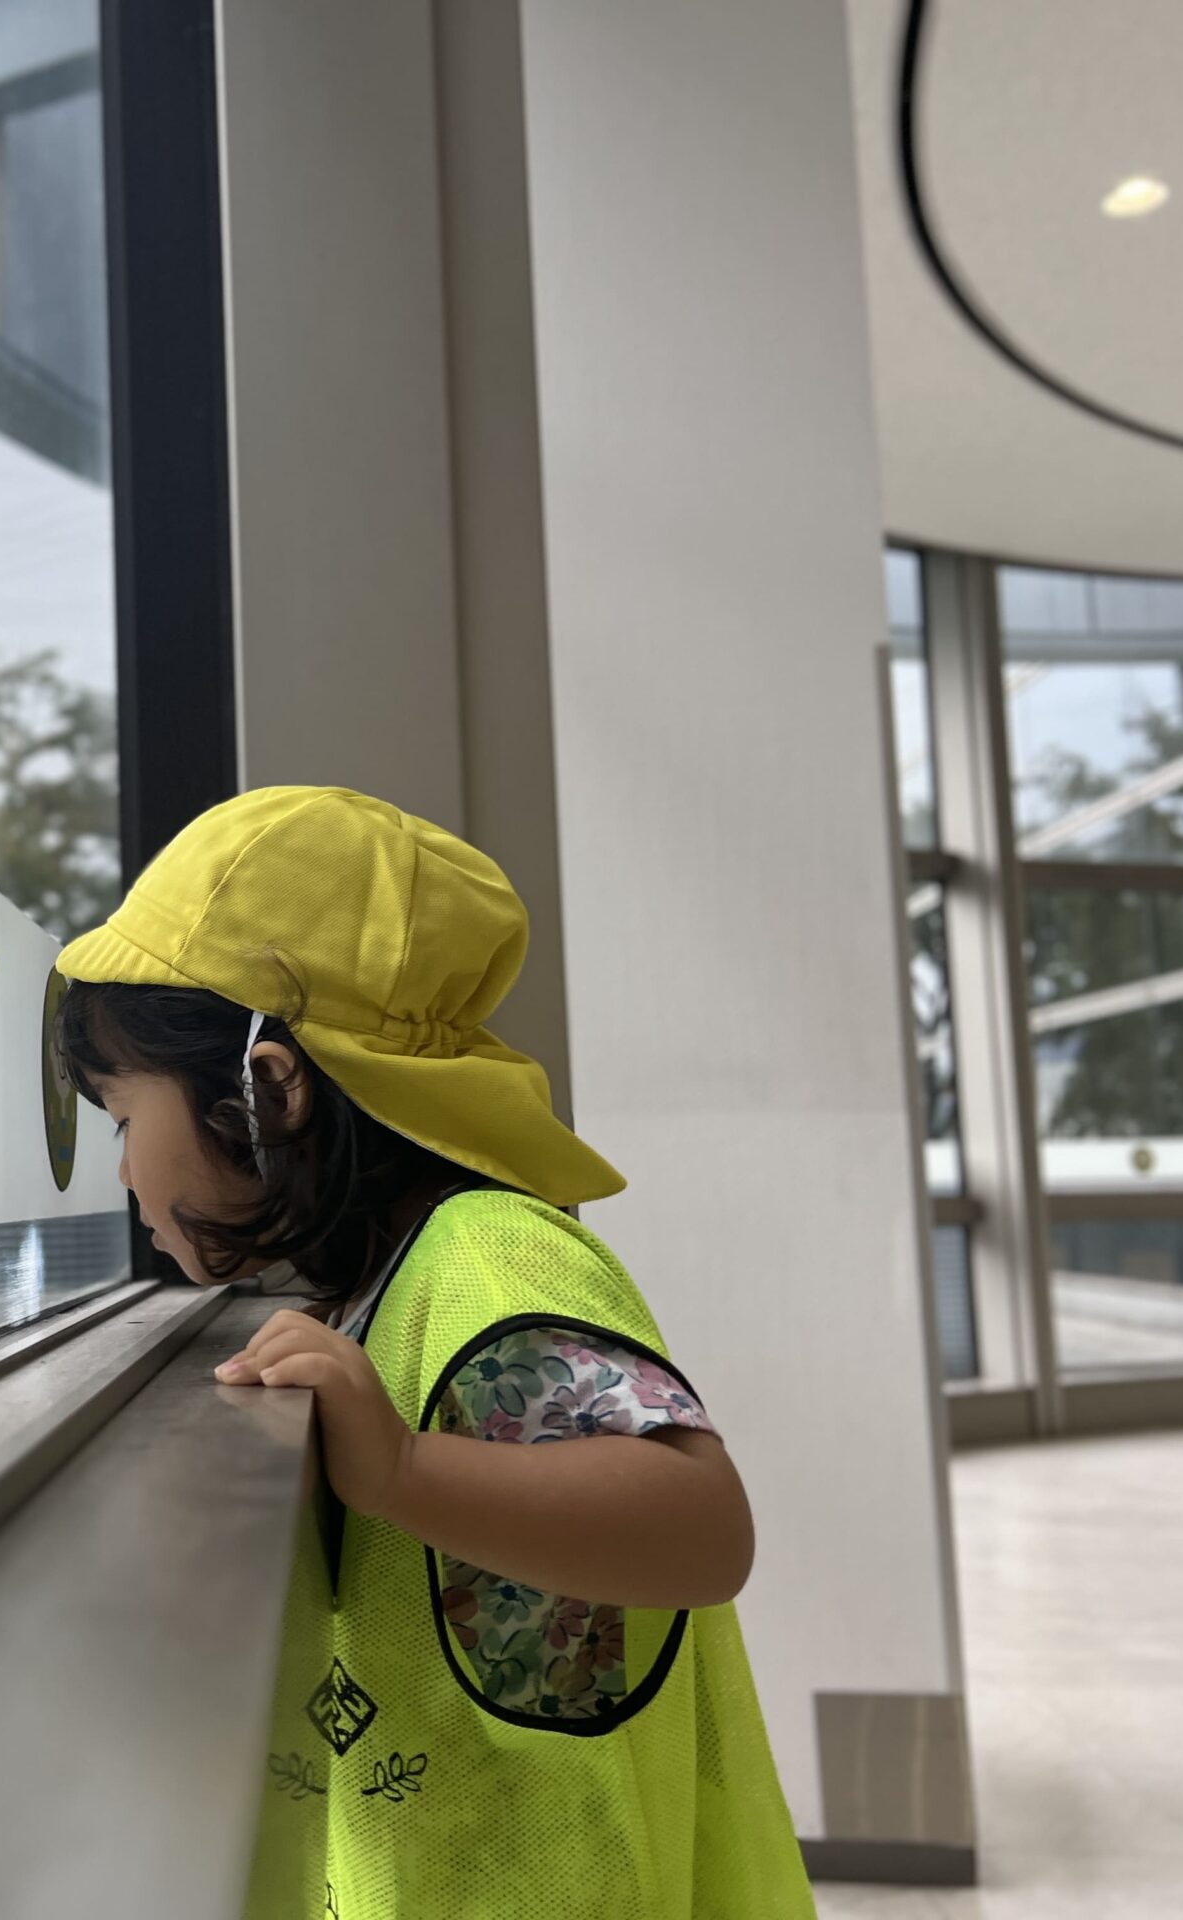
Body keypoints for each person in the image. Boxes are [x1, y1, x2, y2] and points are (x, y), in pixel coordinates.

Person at [52, 787, 812, 1919]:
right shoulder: (385, 1276)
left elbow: (703, 1528)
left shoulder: (489, 1258)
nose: (122, 1171)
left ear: (271, 1090)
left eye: (120, 1116)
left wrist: (403, 1473)